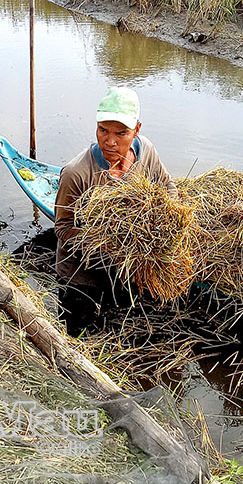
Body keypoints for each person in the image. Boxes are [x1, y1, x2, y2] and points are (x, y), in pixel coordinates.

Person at [54, 86, 178, 336]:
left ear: (137, 130)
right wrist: (108, 245)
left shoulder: (147, 153)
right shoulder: (77, 173)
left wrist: (164, 223)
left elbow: (168, 187)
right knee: (76, 331)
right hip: (81, 273)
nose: (110, 141)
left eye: (121, 133)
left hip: (124, 270)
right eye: (103, 130)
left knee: (116, 327)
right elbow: (63, 228)